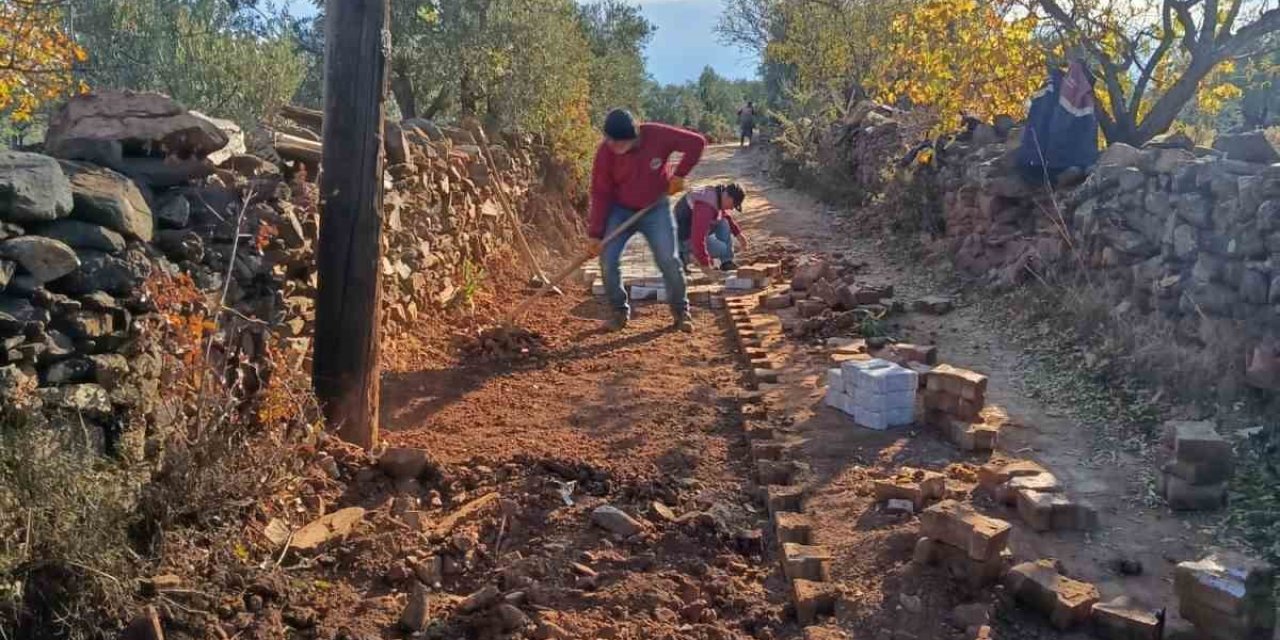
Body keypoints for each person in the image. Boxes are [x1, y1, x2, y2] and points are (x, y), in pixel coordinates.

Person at [587, 108, 708, 332]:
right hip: (620, 210)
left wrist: (679, 175)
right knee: (607, 259)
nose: (614, 147)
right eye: (611, 141)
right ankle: (618, 312)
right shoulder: (605, 153)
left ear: (634, 136)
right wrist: (595, 234)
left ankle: (681, 311)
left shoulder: (656, 135)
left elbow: (697, 143)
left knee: (668, 259)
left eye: (620, 143)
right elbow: (600, 193)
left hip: (655, 208)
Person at [675, 183, 748, 275]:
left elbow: (723, 215)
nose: (732, 208)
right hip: (681, 238)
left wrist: (738, 234)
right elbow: (698, 238)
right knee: (722, 249)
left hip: (688, 229)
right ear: (728, 197)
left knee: (724, 222)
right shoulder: (705, 207)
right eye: (733, 204)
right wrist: (705, 264)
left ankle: (726, 262)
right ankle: (682, 257)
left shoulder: (716, 194)